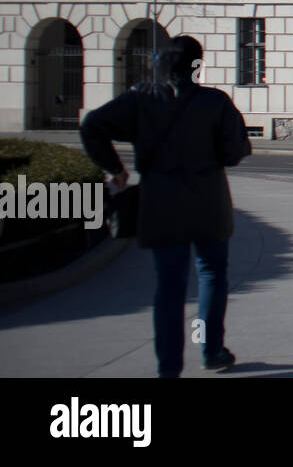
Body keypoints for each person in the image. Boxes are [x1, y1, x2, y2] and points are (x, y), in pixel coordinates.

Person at [80, 35, 251, 378]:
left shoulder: (140, 98)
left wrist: (116, 167)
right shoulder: (215, 102)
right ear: (197, 66)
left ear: (162, 64)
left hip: (160, 199)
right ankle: (212, 350)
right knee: (212, 274)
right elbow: (234, 153)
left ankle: (169, 368)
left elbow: (92, 125)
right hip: (207, 198)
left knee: (169, 286)